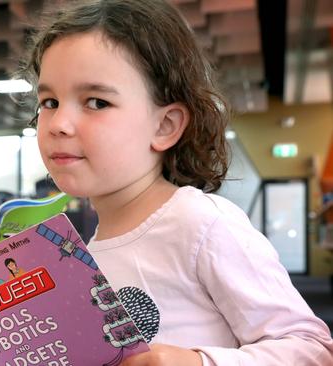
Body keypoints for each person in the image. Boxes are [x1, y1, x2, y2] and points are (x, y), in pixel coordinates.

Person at [17, 0, 333, 365]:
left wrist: (198, 361)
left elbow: (311, 347)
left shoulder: (200, 223)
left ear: (165, 126)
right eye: (50, 101)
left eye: (97, 102)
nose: (58, 123)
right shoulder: (85, 254)